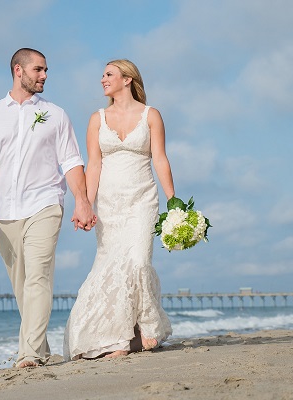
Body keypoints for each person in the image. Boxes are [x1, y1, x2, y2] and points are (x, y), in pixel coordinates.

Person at [0, 48, 96, 368]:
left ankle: (29, 354)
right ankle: (41, 349)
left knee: (38, 276)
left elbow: (72, 162)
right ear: (18, 70)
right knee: (22, 286)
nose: (45, 75)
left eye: (46, 70)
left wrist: (82, 201)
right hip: (3, 211)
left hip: (45, 203)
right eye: (38, 69)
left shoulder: (56, 115)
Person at [63, 59, 175, 360]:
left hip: (142, 199)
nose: (103, 79)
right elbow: (94, 165)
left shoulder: (151, 115)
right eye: (102, 75)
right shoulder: (97, 119)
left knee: (138, 261)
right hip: (109, 204)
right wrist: (85, 204)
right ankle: (120, 339)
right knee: (110, 266)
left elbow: (160, 158)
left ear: (127, 79)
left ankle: (147, 328)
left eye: (109, 74)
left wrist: (173, 200)